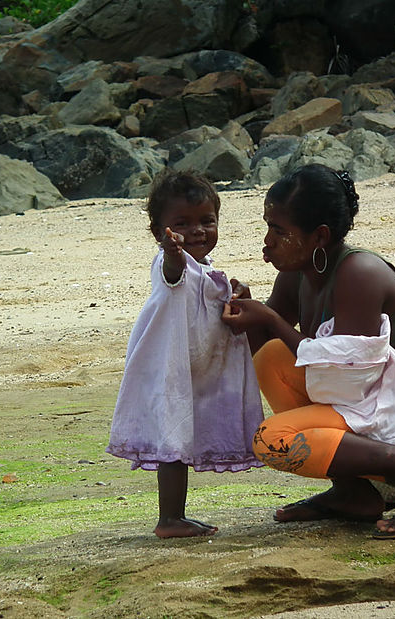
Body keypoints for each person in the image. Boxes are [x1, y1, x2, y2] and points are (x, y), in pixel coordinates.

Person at [221, 164, 395, 539]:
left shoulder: (360, 273)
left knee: (270, 441)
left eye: (279, 231)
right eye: (268, 227)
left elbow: (345, 379)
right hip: (368, 401)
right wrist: (250, 316)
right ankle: (351, 492)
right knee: (274, 358)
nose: (267, 242)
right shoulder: (297, 273)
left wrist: (272, 321)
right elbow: (267, 350)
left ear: (319, 236)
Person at [106, 169, 264, 538]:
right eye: (182, 223)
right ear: (159, 232)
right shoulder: (169, 264)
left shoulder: (206, 268)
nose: (197, 231)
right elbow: (174, 274)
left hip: (197, 371)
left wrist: (237, 292)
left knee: (182, 438)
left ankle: (175, 517)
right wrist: (172, 252)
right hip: (170, 369)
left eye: (207, 221)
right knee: (172, 443)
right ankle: (169, 519)